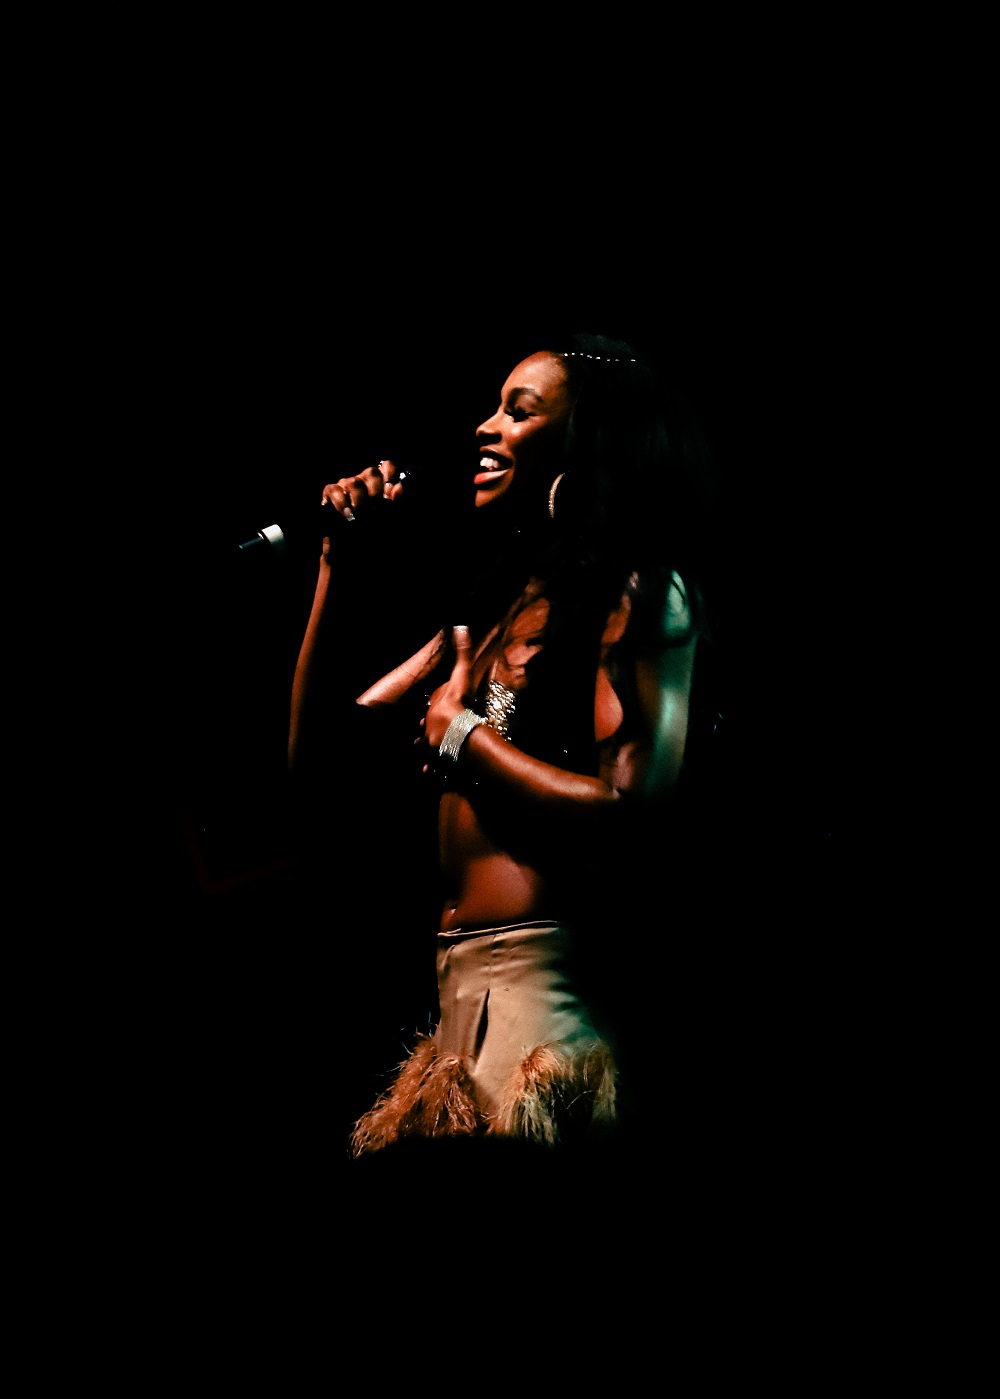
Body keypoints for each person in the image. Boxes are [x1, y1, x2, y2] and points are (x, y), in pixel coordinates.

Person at [287, 331, 716, 1163]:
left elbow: (634, 803)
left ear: (585, 442)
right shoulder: (492, 615)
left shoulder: (639, 592)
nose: (484, 427)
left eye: (518, 412)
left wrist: (465, 736)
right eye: (492, 408)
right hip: (452, 1010)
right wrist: (339, 564)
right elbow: (317, 763)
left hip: (543, 1014)